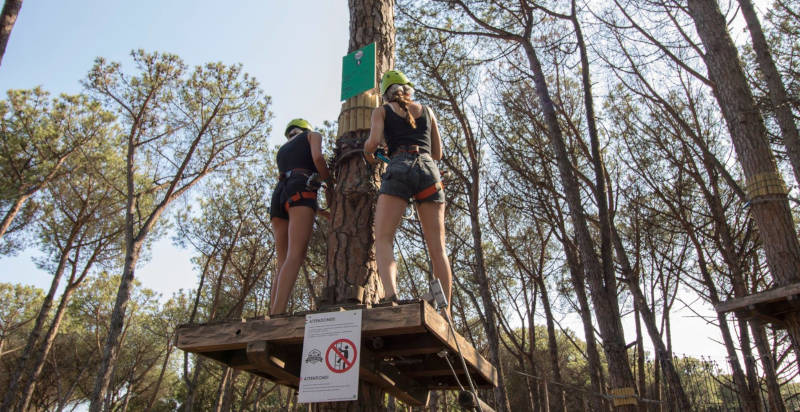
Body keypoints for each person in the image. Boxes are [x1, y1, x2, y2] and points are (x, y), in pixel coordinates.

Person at [364, 70, 453, 314]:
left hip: (399, 166)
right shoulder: (428, 111)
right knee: (438, 249)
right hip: (429, 170)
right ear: (408, 89)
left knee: (384, 238)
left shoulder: (382, 111)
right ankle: (446, 312)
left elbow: (372, 144)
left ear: (386, 94)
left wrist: (368, 150)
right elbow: (437, 153)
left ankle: (391, 297)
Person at [269, 118, 331, 315]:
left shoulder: (282, 151)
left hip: (279, 196)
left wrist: (322, 212)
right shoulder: (313, 135)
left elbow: (292, 191)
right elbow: (318, 159)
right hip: (301, 189)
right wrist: (330, 182)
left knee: (283, 261)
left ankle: (272, 313)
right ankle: (277, 315)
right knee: (295, 255)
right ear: (306, 129)